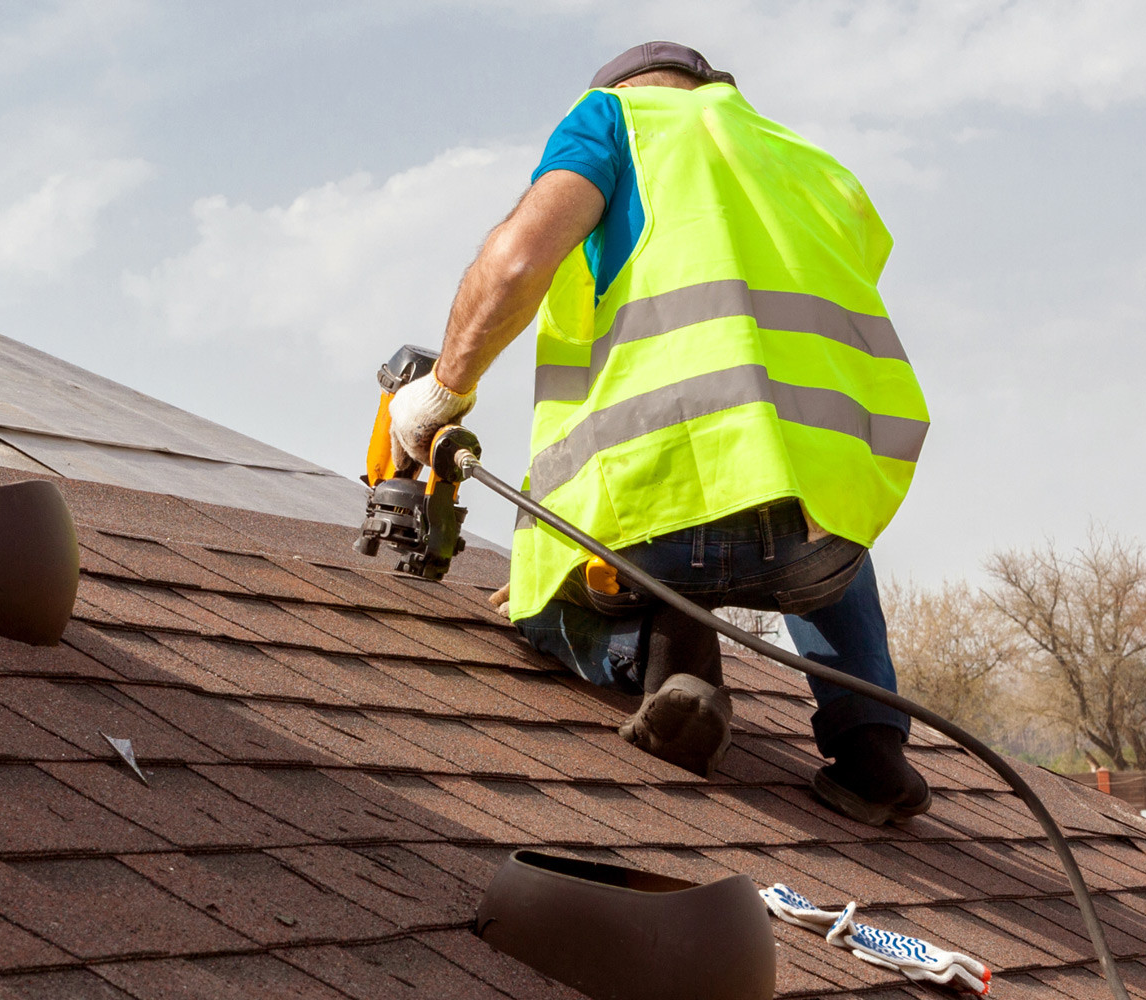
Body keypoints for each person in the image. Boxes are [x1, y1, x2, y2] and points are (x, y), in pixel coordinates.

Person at [388, 41, 931, 825]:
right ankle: (873, 747)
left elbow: (514, 264)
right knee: (814, 509)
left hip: (663, 523)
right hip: (826, 532)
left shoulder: (615, 122)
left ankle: (674, 662)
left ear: (628, 91)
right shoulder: (807, 162)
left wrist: (442, 392)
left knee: (539, 601)